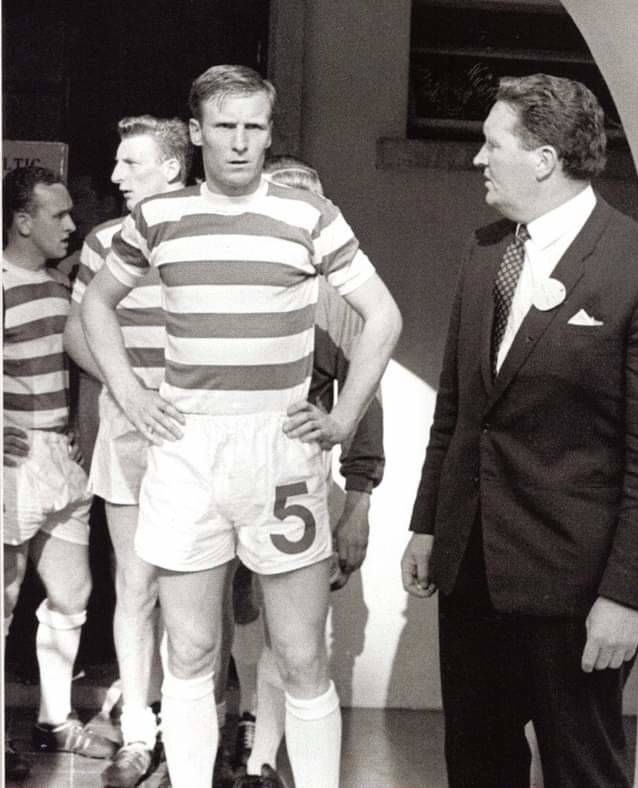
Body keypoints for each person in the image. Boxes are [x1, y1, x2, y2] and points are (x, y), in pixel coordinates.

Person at [80, 65, 402, 788]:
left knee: (301, 656)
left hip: (279, 450)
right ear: (196, 134)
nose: (240, 142)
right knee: (190, 651)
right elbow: (95, 306)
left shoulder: (308, 215)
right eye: (224, 126)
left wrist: (345, 415)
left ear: (268, 129)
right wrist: (130, 393)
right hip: (188, 448)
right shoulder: (158, 218)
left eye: (254, 126)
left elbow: (383, 316)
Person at [401, 73, 638, 788]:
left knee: (582, 772)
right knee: (476, 765)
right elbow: (459, 410)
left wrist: (628, 597)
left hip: (576, 592)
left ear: (543, 158)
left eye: (492, 143)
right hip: (470, 572)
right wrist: (428, 527)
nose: (478, 159)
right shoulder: (486, 254)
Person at [229, 155, 385, 788]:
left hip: (296, 483)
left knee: (297, 634)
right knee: (223, 616)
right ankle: (237, 736)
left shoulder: (338, 300)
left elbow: (363, 401)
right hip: (218, 476)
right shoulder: (222, 283)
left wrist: (360, 501)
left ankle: (265, 759)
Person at [63, 114, 193, 788]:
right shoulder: (104, 239)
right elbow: (79, 331)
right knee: (135, 587)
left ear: (172, 168)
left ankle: (195, 726)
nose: (115, 177)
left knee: (195, 593)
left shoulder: (206, 229)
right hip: (127, 430)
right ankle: (139, 732)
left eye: (130, 164)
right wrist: (130, 391)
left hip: (196, 436)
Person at [3, 166, 119, 782]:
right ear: (24, 221)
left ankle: (53, 719)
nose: (73, 224)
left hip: (63, 460)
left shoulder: (62, 289)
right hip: (13, 465)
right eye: (59, 215)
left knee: (72, 595)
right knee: (3, 597)